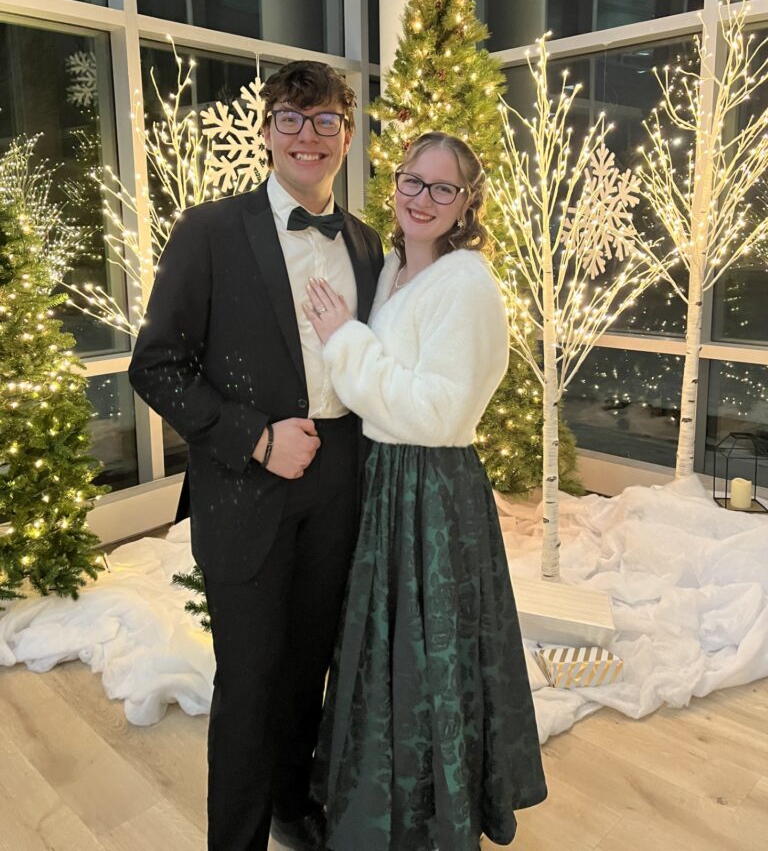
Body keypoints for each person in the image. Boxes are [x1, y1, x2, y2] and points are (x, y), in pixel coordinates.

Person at [128, 60, 384, 851]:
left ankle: (289, 802)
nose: (309, 136)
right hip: (248, 482)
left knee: (310, 663)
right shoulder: (209, 231)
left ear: (347, 134)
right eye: (291, 119)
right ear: (267, 131)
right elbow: (155, 366)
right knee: (248, 680)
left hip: (340, 477)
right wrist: (257, 438)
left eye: (326, 120)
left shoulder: (368, 244)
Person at [304, 131, 548, 851]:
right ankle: (384, 804)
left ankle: (427, 817)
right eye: (413, 181)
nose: (422, 199)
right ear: (396, 184)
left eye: (443, 188)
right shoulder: (392, 269)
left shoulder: (466, 282)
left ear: (467, 203)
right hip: (387, 480)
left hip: (431, 491)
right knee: (387, 651)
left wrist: (344, 340)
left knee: (425, 654)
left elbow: (439, 412)